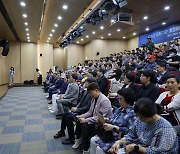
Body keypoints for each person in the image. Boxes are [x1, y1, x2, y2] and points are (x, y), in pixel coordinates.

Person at [109, 98, 179, 154]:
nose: (139, 119)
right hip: (142, 147)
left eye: (141, 117)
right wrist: (119, 142)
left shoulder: (165, 129)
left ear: (152, 116)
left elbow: (159, 152)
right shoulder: (141, 119)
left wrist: (135, 147)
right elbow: (131, 135)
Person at [90, 88, 137, 154]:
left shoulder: (133, 114)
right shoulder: (120, 109)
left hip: (120, 138)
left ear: (128, 100)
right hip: (110, 135)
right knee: (93, 140)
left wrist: (114, 128)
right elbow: (113, 119)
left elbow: (130, 132)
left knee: (100, 149)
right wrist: (106, 120)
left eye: (121, 99)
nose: (119, 101)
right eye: (118, 99)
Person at [53, 77, 96, 145]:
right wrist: (76, 108)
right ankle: (62, 131)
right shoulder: (85, 91)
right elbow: (81, 102)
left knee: (68, 118)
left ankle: (71, 139)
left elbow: (88, 108)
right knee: (65, 114)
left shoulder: (92, 94)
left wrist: (77, 110)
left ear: (90, 84)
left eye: (86, 82)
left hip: (84, 113)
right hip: (80, 110)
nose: (84, 83)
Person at [76, 82, 113, 154]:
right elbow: (90, 112)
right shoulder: (94, 98)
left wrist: (86, 120)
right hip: (94, 120)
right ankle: (81, 143)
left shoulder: (104, 100)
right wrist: (82, 116)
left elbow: (100, 117)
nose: (90, 94)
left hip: (103, 123)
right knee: (79, 121)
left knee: (85, 125)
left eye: (91, 92)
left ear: (96, 90)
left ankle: (86, 148)